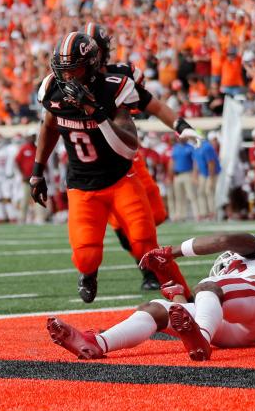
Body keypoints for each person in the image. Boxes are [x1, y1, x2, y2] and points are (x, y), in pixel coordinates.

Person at [30, 31, 190, 303]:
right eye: (62, 71)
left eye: (75, 70)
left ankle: (187, 298)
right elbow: (49, 126)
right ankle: (88, 273)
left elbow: (129, 148)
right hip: (82, 185)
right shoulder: (51, 89)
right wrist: (37, 171)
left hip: (121, 179)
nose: (68, 78)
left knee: (145, 246)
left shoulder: (113, 87)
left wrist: (97, 113)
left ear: (92, 66)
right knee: (85, 255)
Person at [48, 233, 255, 361]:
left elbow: (224, 240)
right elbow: (194, 311)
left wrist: (172, 252)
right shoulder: (225, 280)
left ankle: (202, 339)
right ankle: (98, 343)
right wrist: (176, 295)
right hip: (227, 324)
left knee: (208, 286)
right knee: (156, 308)